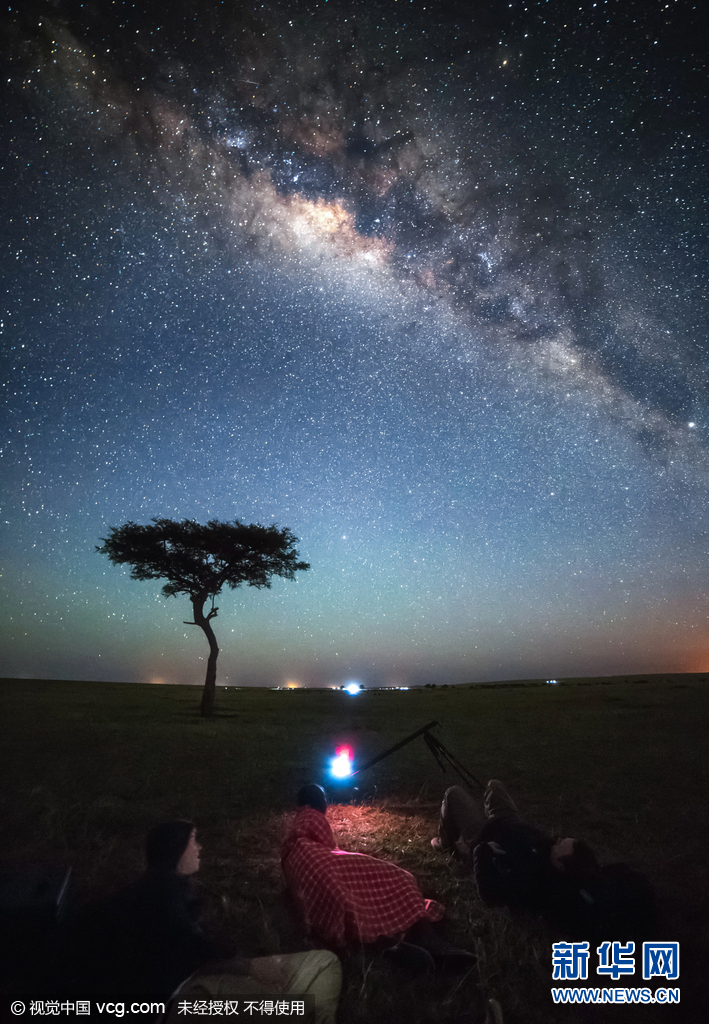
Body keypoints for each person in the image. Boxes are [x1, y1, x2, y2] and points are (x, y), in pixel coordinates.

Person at [77, 821, 341, 1024]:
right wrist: (249, 967)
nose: (199, 847)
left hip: (205, 978)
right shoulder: (159, 891)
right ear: (176, 850)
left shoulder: (173, 890)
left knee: (324, 961)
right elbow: (189, 942)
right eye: (193, 841)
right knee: (300, 1011)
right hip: (182, 1003)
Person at [282, 784, 474, 972]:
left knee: (349, 898)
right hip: (325, 868)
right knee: (401, 879)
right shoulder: (312, 819)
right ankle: (426, 939)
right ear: (321, 803)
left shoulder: (294, 838)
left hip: (318, 889)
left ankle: (394, 945)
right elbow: (328, 846)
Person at [433, 782, 656, 939]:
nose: (556, 840)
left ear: (559, 864)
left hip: (485, 833)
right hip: (510, 823)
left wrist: (481, 851)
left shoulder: (533, 879)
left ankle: (445, 842)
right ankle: (485, 808)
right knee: (494, 786)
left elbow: (489, 895)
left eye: (560, 845)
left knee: (453, 794)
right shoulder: (567, 867)